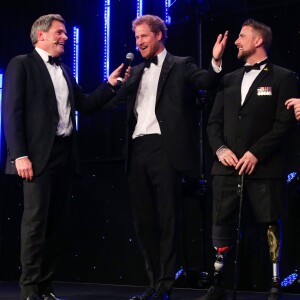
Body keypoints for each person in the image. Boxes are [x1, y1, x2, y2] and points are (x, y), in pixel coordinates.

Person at [2, 14, 129, 300]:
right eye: (59, 33)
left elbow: (85, 104)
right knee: (35, 224)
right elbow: (11, 112)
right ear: (41, 36)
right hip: (36, 157)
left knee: (56, 225)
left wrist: (109, 85)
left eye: (65, 33)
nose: (66, 38)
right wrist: (19, 155)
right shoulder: (21, 64)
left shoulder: (64, 70)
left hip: (64, 155)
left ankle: (45, 288)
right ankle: (29, 291)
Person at [106, 14, 228, 300]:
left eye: (144, 36)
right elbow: (111, 104)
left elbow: (206, 81)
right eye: (136, 38)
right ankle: (152, 283)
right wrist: (110, 85)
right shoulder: (133, 71)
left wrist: (215, 61)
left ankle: (165, 285)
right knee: (144, 221)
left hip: (165, 149)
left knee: (168, 218)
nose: (139, 43)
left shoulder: (181, 64)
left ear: (159, 35)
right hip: (137, 150)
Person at [198, 19, 299, 300]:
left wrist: (257, 152)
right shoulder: (228, 79)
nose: (236, 42)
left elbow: (284, 123)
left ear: (258, 41)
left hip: (265, 167)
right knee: (221, 221)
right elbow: (212, 123)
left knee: (270, 221)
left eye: (242, 36)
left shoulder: (283, 76)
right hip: (227, 168)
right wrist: (219, 150)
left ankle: (275, 284)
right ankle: (217, 283)